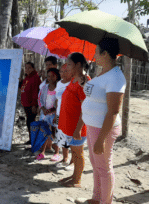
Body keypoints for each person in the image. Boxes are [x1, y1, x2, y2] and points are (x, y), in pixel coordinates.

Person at [81, 38, 125, 204]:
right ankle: (97, 198)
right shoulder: (103, 72)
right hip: (94, 126)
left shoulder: (115, 77)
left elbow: (113, 111)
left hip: (103, 129)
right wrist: (85, 83)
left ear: (105, 54)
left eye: (96, 51)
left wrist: (101, 139)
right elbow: (95, 95)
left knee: (104, 167)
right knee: (96, 164)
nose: (94, 55)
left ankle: (105, 201)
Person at [57, 52, 91, 188]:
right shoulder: (73, 79)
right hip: (69, 124)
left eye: (69, 64)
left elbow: (85, 108)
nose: (67, 67)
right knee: (74, 152)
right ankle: (74, 175)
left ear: (78, 65)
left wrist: (78, 129)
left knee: (78, 153)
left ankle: (77, 180)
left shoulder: (85, 82)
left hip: (77, 127)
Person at [36, 68, 61, 161]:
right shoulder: (44, 88)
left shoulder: (59, 88)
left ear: (56, 76)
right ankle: (42, 152)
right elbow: (40, 99)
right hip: (45, 113)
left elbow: (59, 102)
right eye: (48, 76)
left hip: (55, 114)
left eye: (52, 76)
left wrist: (53, 111)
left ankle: (57, 153)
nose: (50, 78)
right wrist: (43, 108)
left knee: (56, 132)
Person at [54, 64, 74, 170]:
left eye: (66, 71)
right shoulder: (59, 84)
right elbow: (57, 99)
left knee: (72, 139)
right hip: (59, 115)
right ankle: (65, 158)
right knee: (62, 137)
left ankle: (73, 161)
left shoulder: (74, 83)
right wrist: (56, 114)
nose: (63, 74)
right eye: (61, 71)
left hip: (70, 116)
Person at [20, 62, 41, 144]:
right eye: (26, 68)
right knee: (29, 122)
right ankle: (31, 139)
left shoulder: (35, 78)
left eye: (29, 68)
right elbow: (23, 88)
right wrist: (20, 82)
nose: (27, 69)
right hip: (26, 104)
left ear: (33, 68)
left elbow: (35, 92)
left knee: (31, 122)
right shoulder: (27, 78)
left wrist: (34, 105)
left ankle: (34, 140)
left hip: (31, 104)